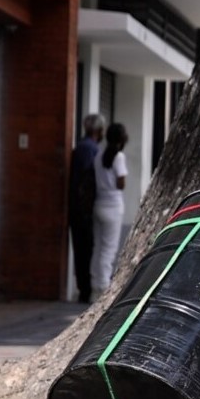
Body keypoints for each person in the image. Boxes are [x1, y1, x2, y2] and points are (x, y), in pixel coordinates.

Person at [68, 113, 104, 304]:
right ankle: (86, 289)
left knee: (83, 249)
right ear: (99, 130)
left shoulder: (82, 148)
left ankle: (85, 287)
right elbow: (87, 180)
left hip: (79, 207)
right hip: (84, 209)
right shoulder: (90, 150)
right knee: (86, 249)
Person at [91, 122, 129, 298]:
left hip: (98, 204)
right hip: (113, 206)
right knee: (109, 249)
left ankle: (96, 284)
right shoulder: (118, 157)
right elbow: (121, 183)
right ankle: (104, 287)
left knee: (98, 247)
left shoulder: (99, 155)